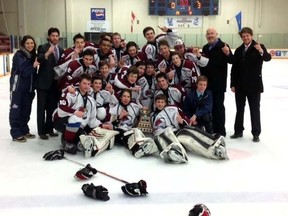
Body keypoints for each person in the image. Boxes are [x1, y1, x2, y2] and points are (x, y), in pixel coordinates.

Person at [230, 27, 271, 142]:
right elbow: (234, 69)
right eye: (243, 36)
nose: (246, 38)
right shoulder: (238, 50)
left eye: (247, 36)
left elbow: (268, 58)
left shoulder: (259, 47)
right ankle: (238, 131)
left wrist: (261, 51)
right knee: (239, 109)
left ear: (251, 36)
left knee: (254, 109)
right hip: (240, 86)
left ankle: (256, 133)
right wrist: (233, 84)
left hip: (254, 86)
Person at [53, 74, 110, 155]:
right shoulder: (71, 93)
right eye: (84, 83)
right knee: (76, 118)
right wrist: (75, 112)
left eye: (88, 84)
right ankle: (66, 141)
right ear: (79, 83)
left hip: (76, 125)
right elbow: (62, 108)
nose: (86, 86)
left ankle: (74, 140)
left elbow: (92, 120)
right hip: (60, 120)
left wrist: (101, 125)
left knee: (82, 139)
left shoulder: (91, 101)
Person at [200, 27, 233, 138]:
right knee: (210, 106)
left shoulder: (223, 46)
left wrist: (227, 53)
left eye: (212, 33)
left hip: (219, 83)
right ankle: (212, 128)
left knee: (219, 107)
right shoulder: (205, 47)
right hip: (207, 84)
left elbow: (232, 60)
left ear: (216, 34)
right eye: (208, 34)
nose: (210, 35)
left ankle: (221, 130)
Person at [9, 35, 40, 142]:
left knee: (26, 110)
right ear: (23, 44)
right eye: (27, 43)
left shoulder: (32, 55)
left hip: (29, 89)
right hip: (18, 88)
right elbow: (24, 71)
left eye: (32, 43)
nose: (30, 45)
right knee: (16, 110)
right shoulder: (19, 56)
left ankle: (24, 129)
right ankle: (16, 132)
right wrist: (34, 65)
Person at [35, 27, 64, 140]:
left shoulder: (61, 50)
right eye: (53, 35)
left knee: (52, 108)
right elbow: (39, 60)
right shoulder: (43, 47)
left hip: (55, 84)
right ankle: (41, 131)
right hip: (43, 83)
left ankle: (50, 129)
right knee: (41, 108)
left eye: (56, 36)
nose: (55, 38)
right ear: (49, 37)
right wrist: (47, 53)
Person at [150, 94, 189, 163]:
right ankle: (171, 153)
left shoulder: (171, 110)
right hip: (162, 135)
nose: (160, 104)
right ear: (155, 103)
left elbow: (185, 120)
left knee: (181, 136)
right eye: (158, 102)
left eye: (162, 102)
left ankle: (180, 153)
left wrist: (181, 122)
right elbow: (155, 129)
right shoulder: (153, 115)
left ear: (165, 103)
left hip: (174, 132)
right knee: (161, 140)